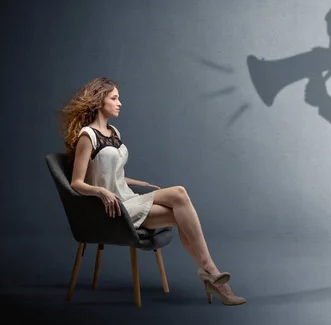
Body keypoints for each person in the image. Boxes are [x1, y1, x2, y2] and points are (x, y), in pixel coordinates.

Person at [58, 77, 246, 306]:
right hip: (111, 209)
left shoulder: (114, 132)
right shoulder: (88, 136)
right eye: (114, 98)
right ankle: (212, 274)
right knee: (179, 193)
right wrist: (101, 192)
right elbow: (77, 183)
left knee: (181, 211)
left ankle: (211, 275)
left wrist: (141, 183)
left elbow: (111, 173)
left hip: (129, 199)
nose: (120, 103)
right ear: (99, 101)